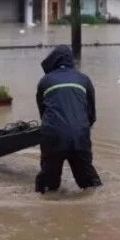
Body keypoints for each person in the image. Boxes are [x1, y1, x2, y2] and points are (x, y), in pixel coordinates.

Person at [35, 45, 102, 194]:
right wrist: (81, 130)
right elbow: (91, 115)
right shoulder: (84, 79)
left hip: (53, 137)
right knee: (91, 184)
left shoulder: (45, 81)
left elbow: (43, 113)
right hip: (80, 136)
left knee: (47, 186)